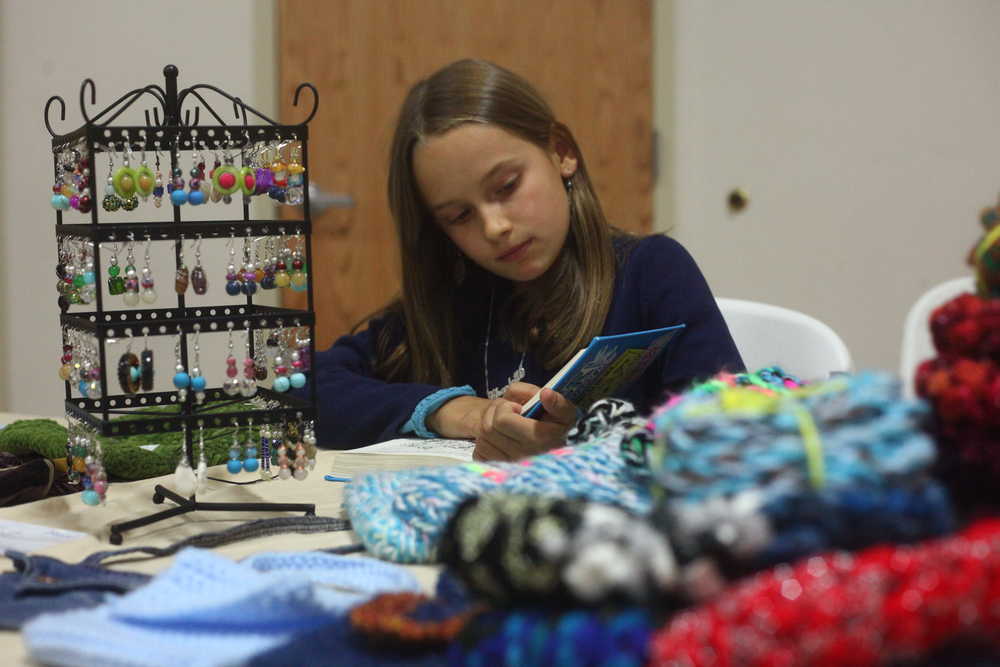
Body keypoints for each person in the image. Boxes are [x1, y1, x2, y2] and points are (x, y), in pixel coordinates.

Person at [311, 59, 743, 459]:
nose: (494, 226)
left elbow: (736, 439)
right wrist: (455, 411)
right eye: (460, 216)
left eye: (506, 187)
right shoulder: (454, 303)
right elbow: (299, 388)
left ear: (561, 152)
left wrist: (580, 449)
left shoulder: (650, 273)